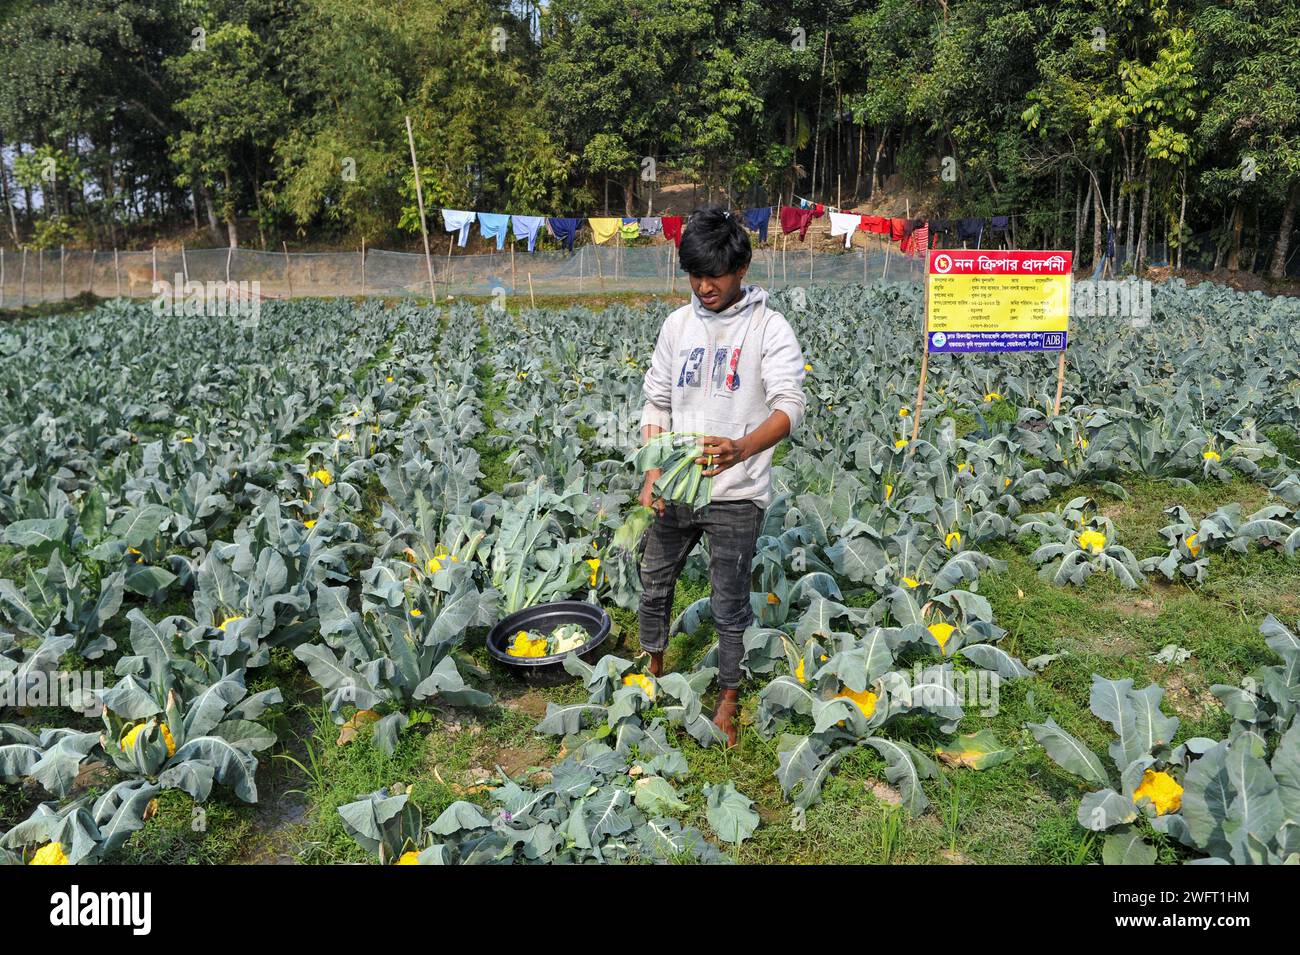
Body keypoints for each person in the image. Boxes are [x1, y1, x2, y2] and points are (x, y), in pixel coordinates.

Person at [635, 205, 807, 747]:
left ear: (741, 270)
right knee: (653, 579)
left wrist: (741, 449)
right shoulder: (677, 325)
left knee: (728, 601)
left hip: (738, 493)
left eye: (715, 274)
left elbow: (789, 407)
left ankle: (729, 695)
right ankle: (651, 667)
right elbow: (656, 401)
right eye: (694, 274)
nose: (704, 285)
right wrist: (652, 471)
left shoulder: (768, 328)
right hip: (678, 487)